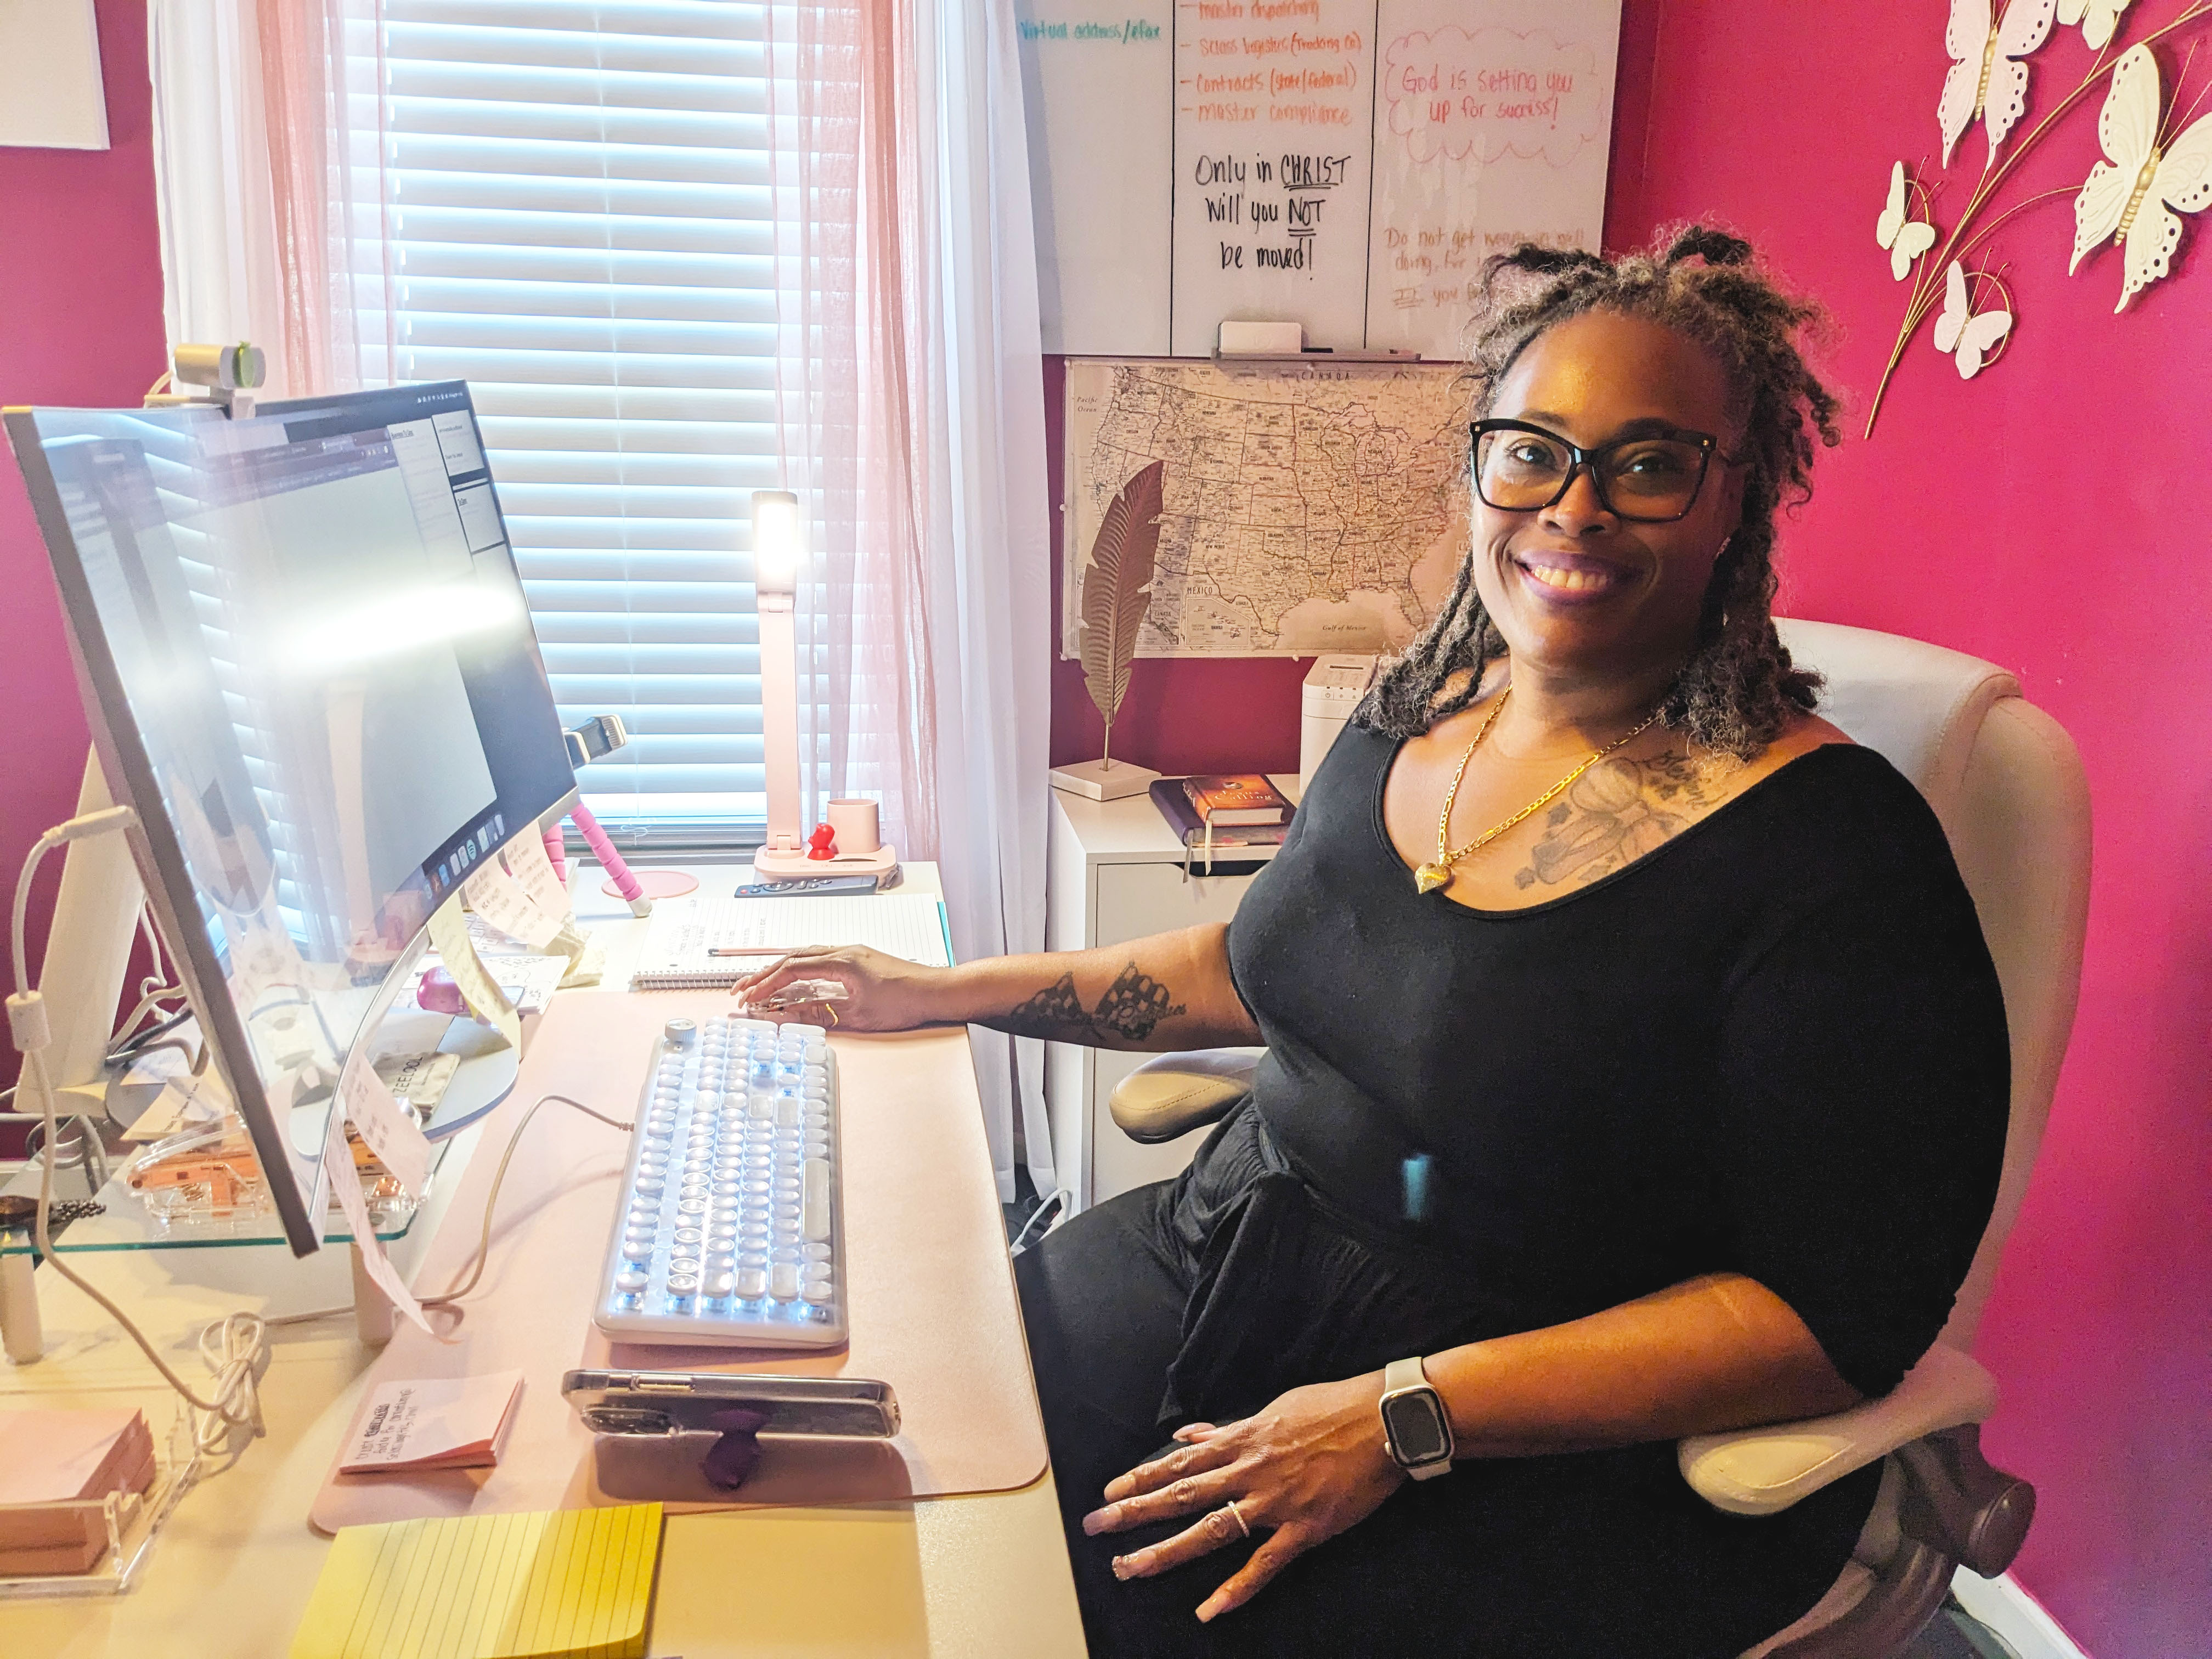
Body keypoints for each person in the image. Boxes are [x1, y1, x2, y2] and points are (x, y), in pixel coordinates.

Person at [735, 228, 2010, 1657]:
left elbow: (1829, 1321)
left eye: (1647, 464)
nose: (1573, 511)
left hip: (1540, 1438)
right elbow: (1260, 965)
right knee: (899, 1467)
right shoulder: (1421, 714)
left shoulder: (1832, 857)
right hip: (1239, 1261)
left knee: (1062, 1619)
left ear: (1738, 501)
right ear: (1479, 469)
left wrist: (1407, 1416)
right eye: (1532, 452)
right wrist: (945, 992)